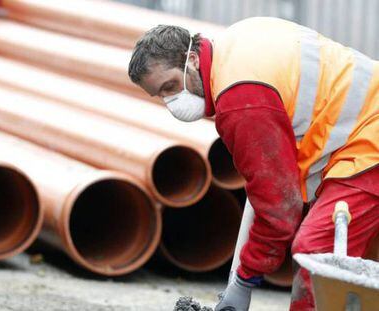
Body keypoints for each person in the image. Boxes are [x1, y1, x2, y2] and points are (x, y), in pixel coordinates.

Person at [128, 17, 379, 310]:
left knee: (316, 253)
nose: (170, 100)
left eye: (170, 86)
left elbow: (279, 208)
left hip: (369, 140)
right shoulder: (234, 44)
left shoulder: (239, 97)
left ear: (192, 60)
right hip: (359, 131)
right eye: (160, 95)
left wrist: (244, 279)